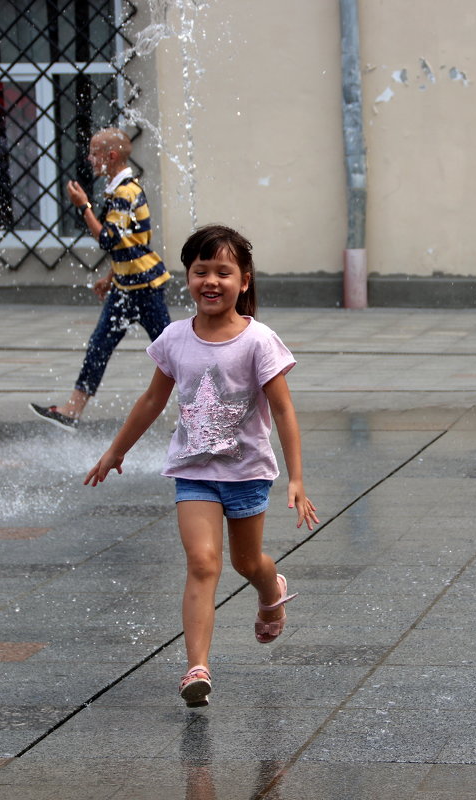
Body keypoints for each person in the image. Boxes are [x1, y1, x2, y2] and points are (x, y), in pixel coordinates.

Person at [84, 224, 319, 708]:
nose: (211, 281)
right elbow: (152, 399)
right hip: (193, 471)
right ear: (187, 278)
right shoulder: (174, 338)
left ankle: (271, 588)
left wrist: (295, 477)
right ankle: (197, 666)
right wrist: (117, 449)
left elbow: (284, 411)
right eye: (200, 271)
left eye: (223, 272)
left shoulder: (258, 341)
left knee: (246, 562)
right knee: (202, 562)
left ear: (244, 281)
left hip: (248, 472)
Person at [30, 128, 172, 431]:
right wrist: (110, 276)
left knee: (171, 352)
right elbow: (130, 242)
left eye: (94, 152)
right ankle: (72, 410)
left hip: (145, 288)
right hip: (125, 287)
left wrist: (83, 206)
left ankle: (201, 413)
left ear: (111, 156)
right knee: (99, 346)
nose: (89, 158)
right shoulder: (117, 190)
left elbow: (108, 239)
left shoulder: (125, 193)